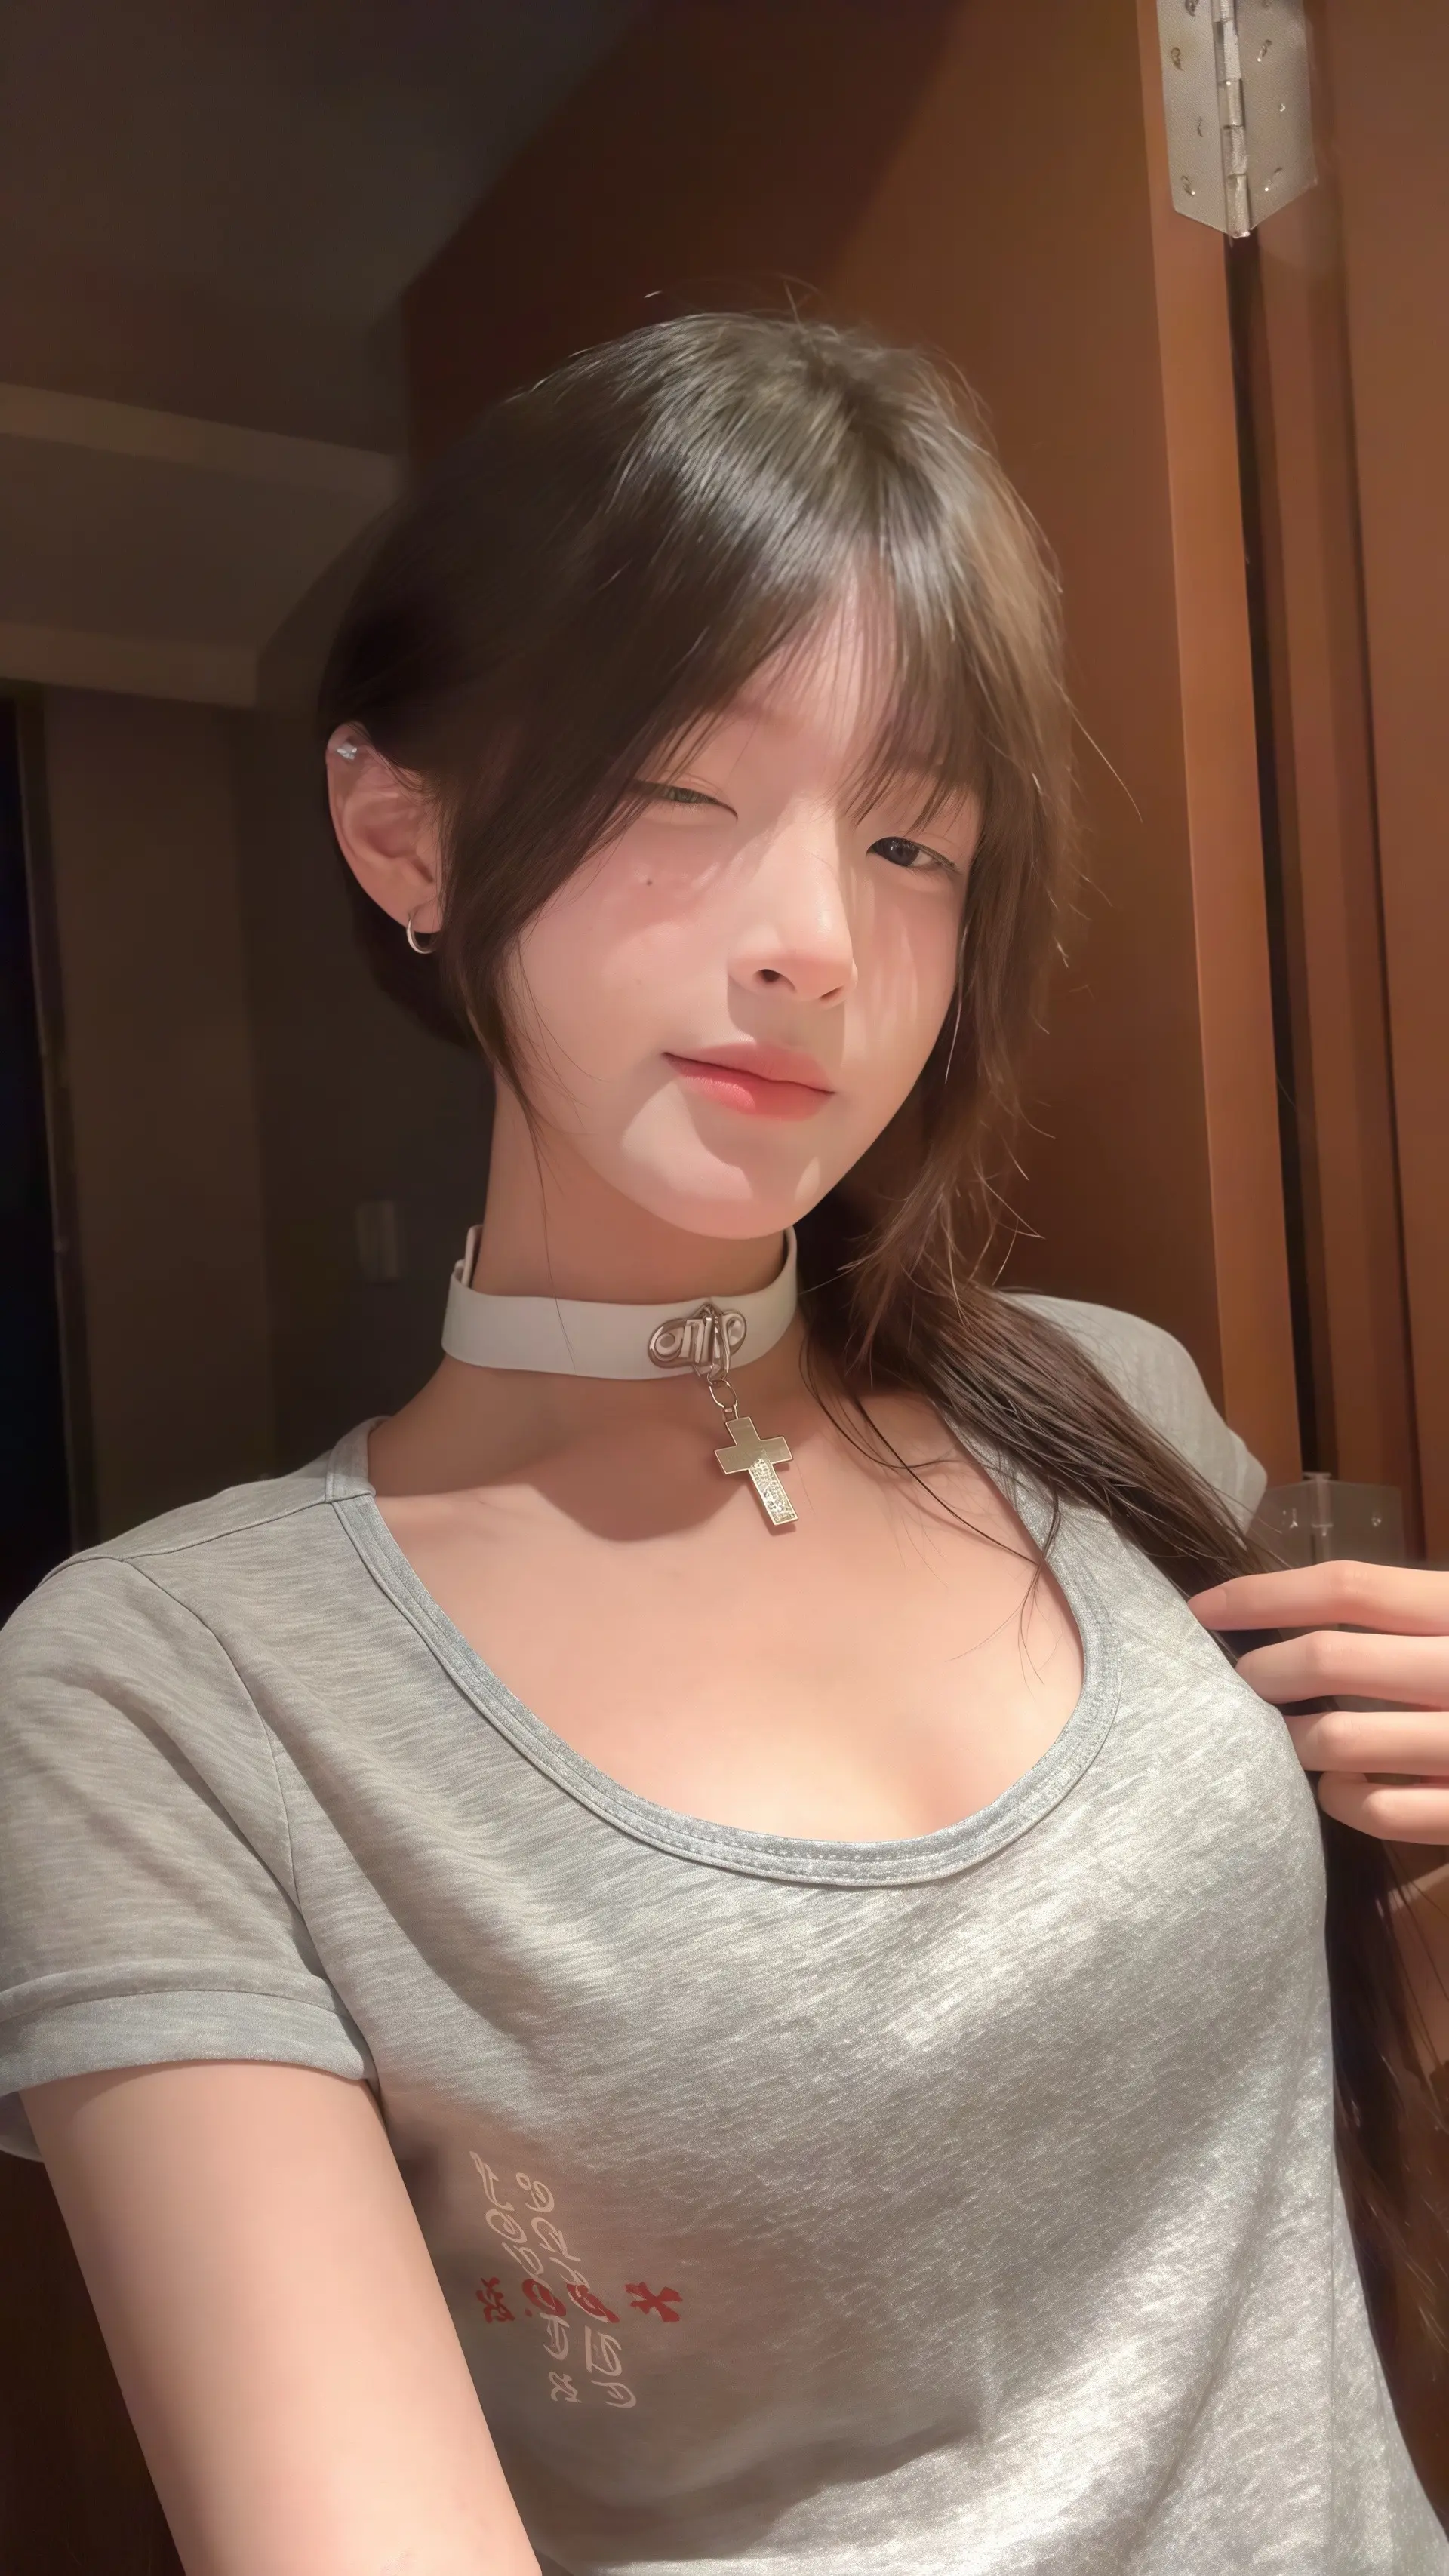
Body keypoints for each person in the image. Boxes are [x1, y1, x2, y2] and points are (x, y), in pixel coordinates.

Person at [2, 315, 1446, 2576]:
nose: (817, 942)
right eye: (680, 791)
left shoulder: (1113, 1405)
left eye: (912, 838)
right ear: (402, 829)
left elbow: (1304, 2091)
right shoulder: (163, 1694)